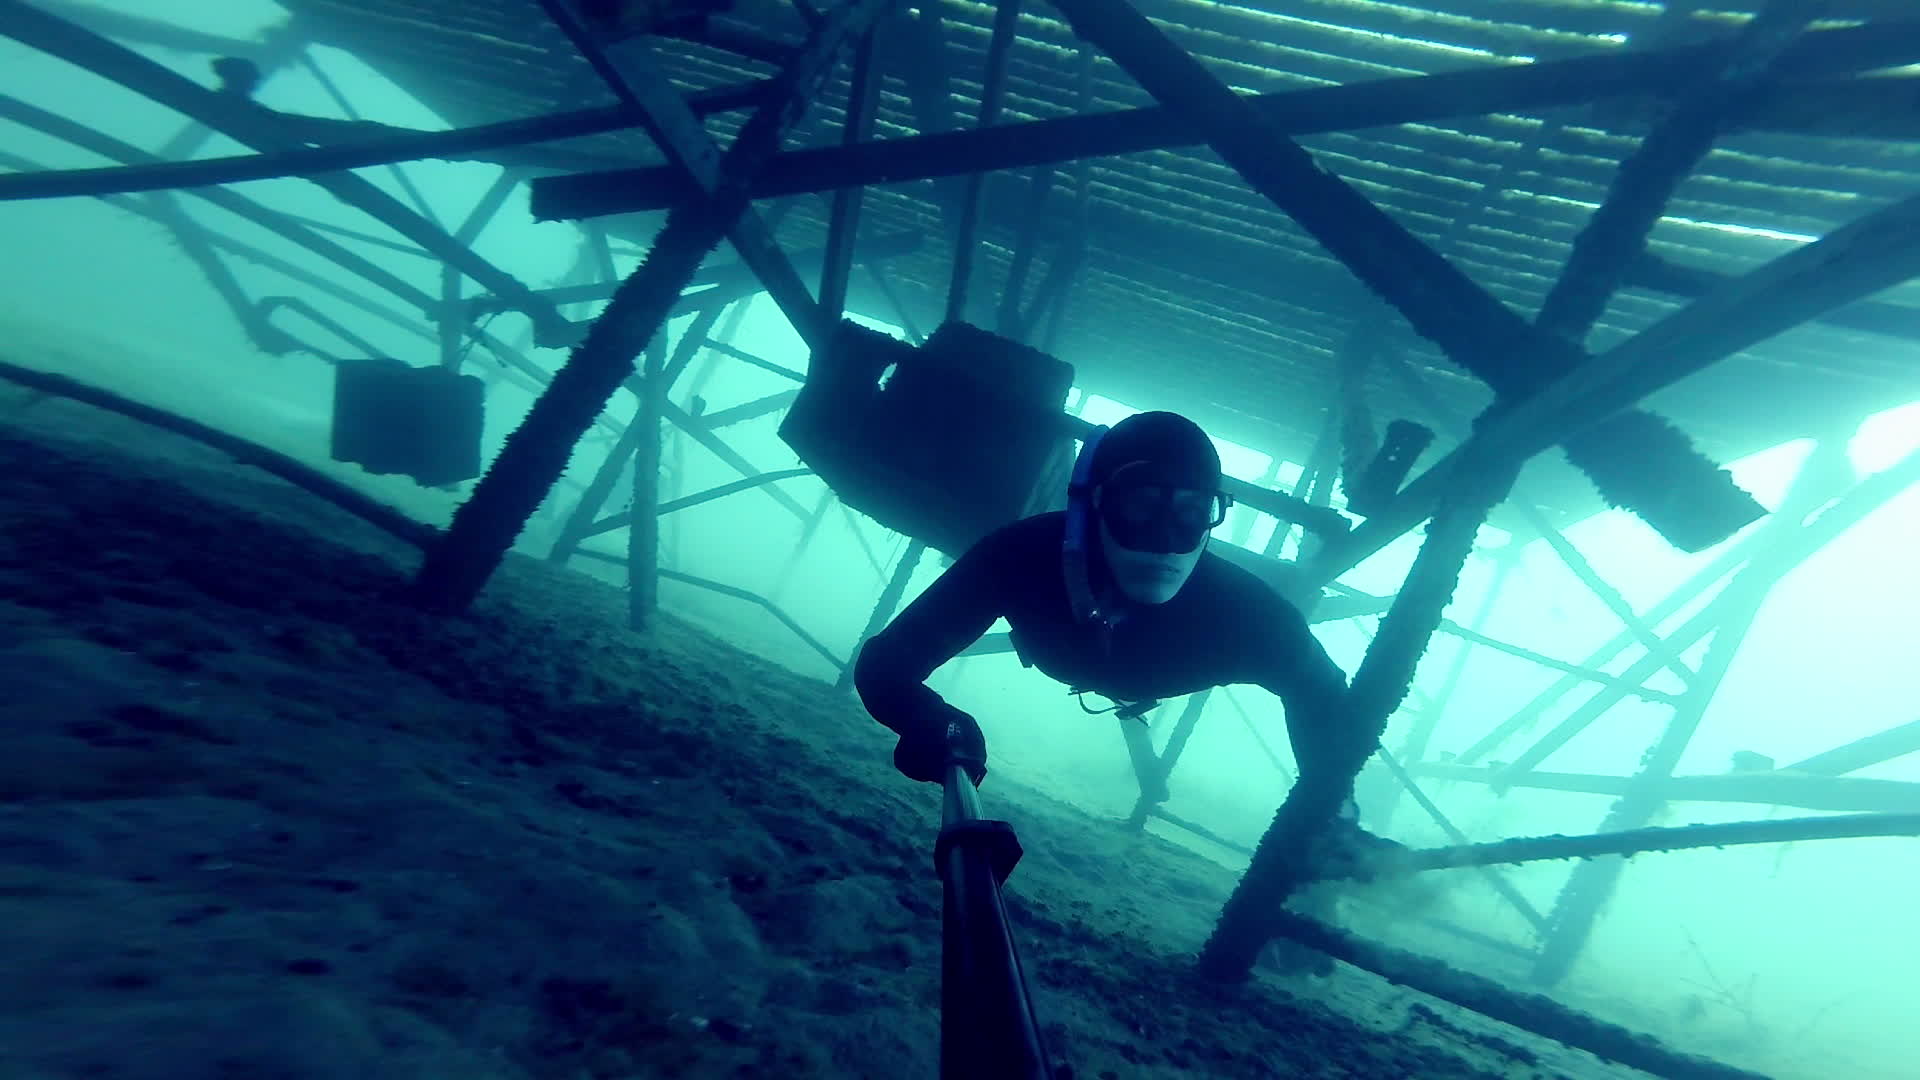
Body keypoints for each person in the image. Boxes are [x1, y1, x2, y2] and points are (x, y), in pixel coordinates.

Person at [853, 410, 1358, 811]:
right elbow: (886, 667)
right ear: (1095, 503)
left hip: (1076, 650)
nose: (1164, 537)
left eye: (1191, 512)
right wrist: (927, 717)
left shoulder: (1249, 617)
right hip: (1099, 650)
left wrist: (1332, 808)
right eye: (1140, 506)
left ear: (1213, 514)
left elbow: (1325, 697)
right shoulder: (1020, 557)